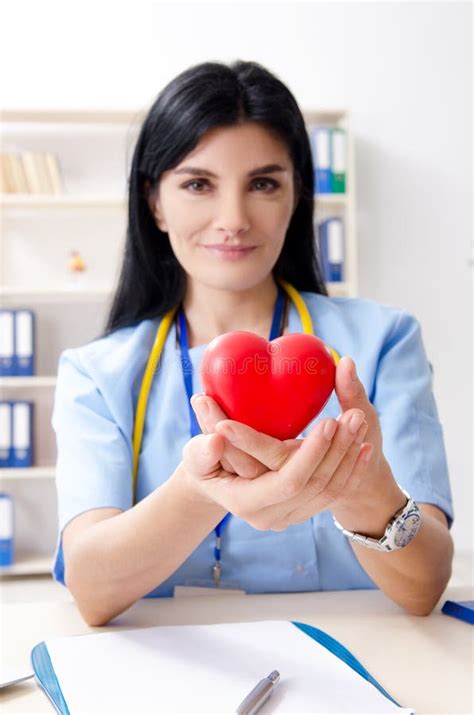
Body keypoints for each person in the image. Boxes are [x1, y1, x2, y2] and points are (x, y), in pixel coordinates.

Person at [51, 60, 454, 627]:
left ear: (296, 197)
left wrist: (364, 491)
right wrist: (198, 491)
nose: (233, 219)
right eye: (197, 184)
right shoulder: (97, 371)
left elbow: (425, 587)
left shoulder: (384, 341)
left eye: (263, 183)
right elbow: (89, 591)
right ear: (155, 203)